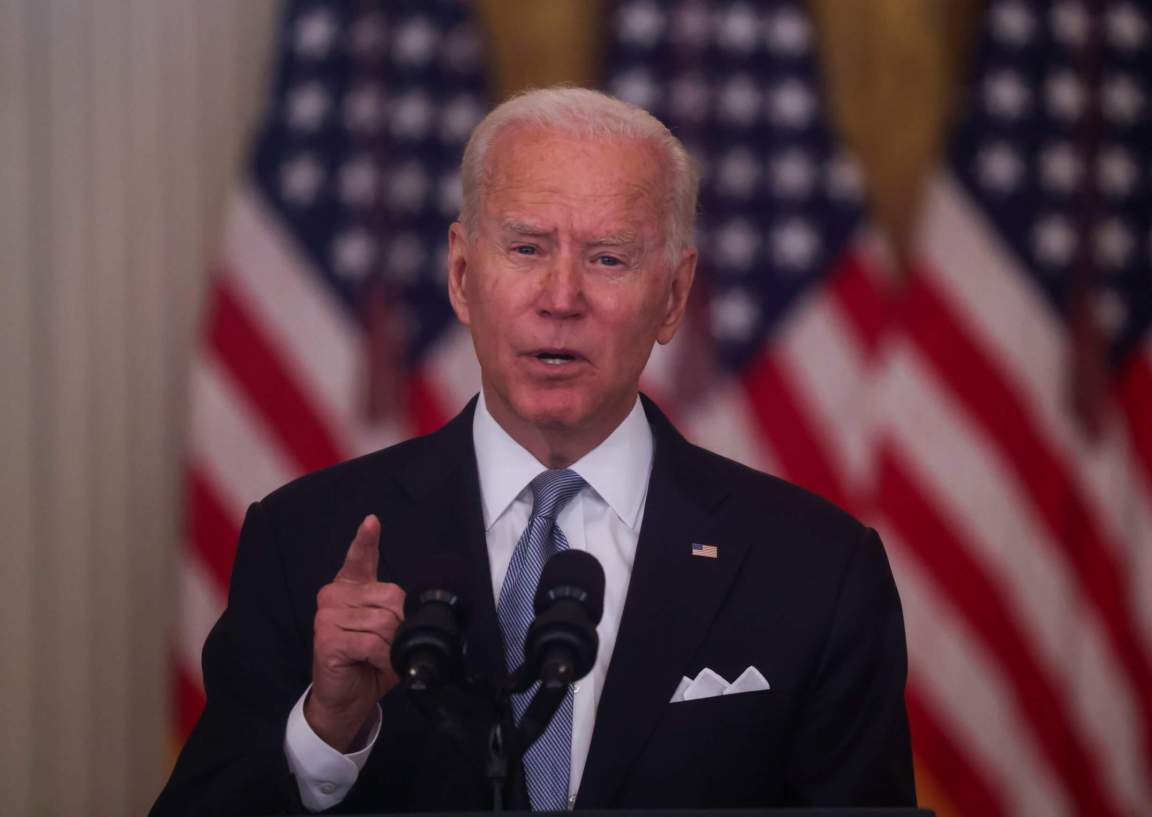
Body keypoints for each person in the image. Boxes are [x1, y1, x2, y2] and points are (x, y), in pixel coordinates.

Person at [151, 87, 915, 815]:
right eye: (525, 247)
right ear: (460, 275)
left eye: (608, 257)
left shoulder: (817, 568)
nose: (561, 297)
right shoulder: (305, 540)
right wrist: (326, 729)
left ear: (675, 297)